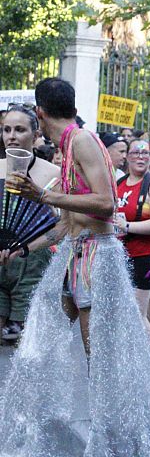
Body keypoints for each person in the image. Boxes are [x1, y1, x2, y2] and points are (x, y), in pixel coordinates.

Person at [0, 77, 150, 457]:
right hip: (73, 258)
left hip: (97, 262)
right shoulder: (66, 148)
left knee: (100, 367)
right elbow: (65, 223)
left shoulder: (82, 140)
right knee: (37, 353)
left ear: (40, 114)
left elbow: (105, 204)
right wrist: (21, 248)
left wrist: (43, 193)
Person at [0, 106, 55, 342]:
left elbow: (63, 224)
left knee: (30, 342)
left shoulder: (53, 174)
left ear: (35, 135)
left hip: (34, 262)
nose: (11, 136)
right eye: (6, 130)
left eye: (19, 130)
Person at [114, 139, 150, 341]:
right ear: (127, 157)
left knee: (137, 314)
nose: (140, 157)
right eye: (136, 153)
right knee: (121, 313)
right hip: (120, 255)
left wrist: (128, 226)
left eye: (145, 153)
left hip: (143, 256)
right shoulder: (119, 184)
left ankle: (144, 357)